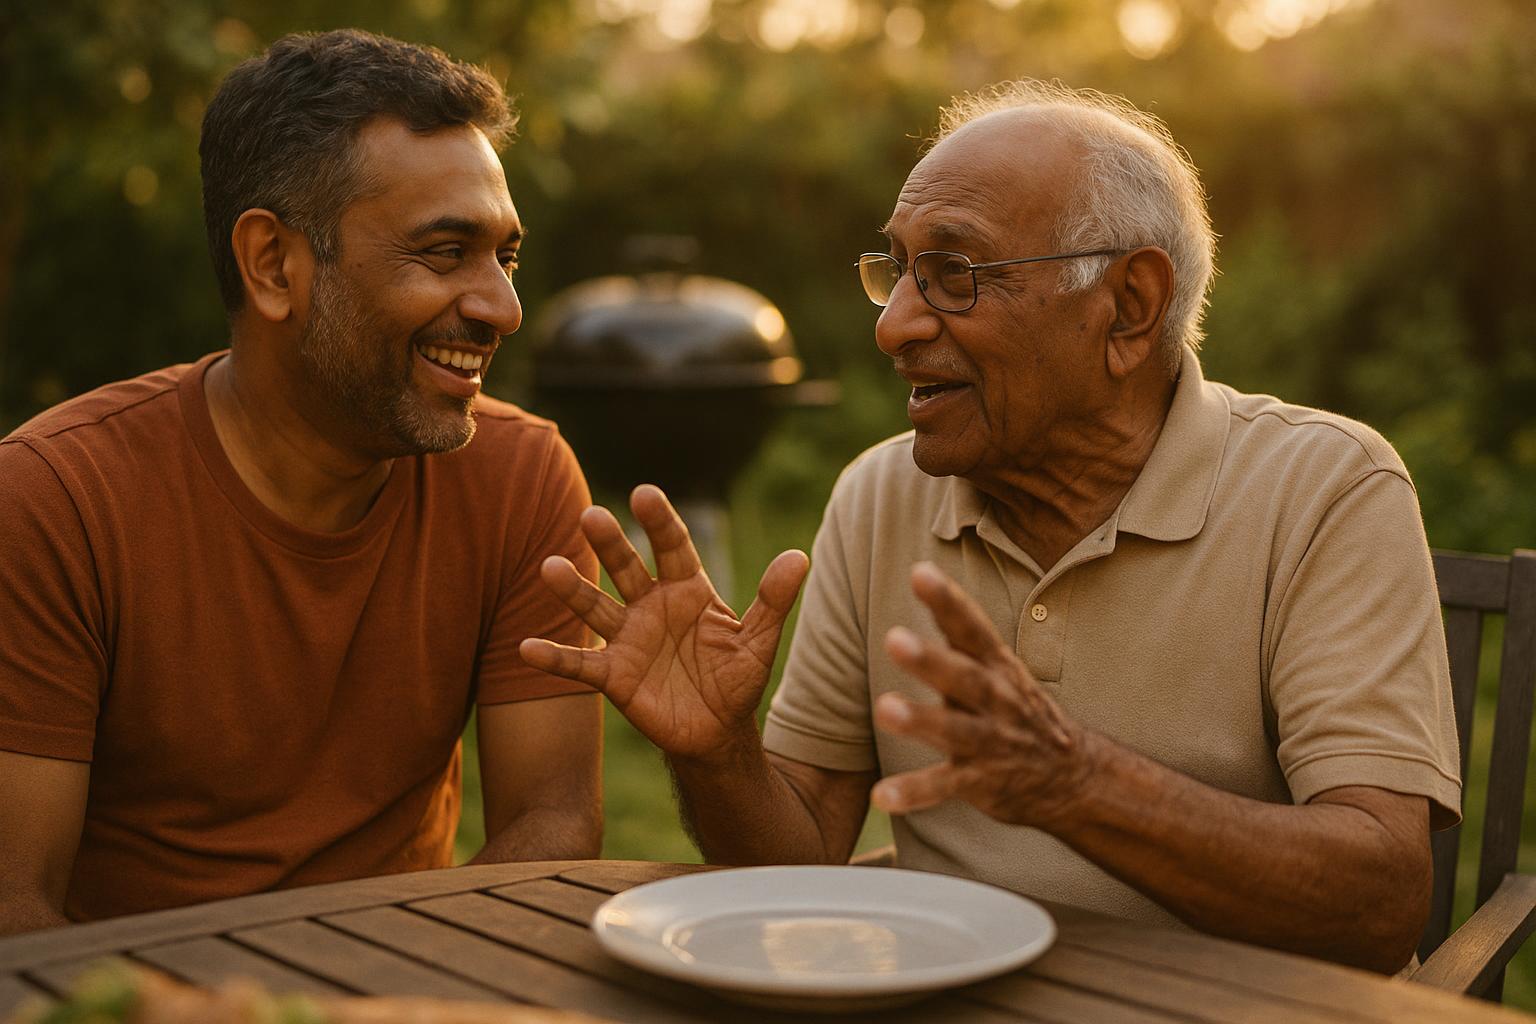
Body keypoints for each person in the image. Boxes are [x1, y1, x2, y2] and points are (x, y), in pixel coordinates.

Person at [520, 81, 1460, 974]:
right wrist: (719, 754)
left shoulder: (1327, 485)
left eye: (954, 273)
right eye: (896, 271)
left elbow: (1378, 904)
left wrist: (1079, 785)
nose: (893, 326)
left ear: (1129, 307)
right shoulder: (881, 494)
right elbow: (797, 852)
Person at [0, 29, 601, 934]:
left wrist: (368, 997)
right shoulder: (54, 502)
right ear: (273, 265)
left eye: (505, 257)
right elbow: (13, 913)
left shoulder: (519, 477)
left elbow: (552, 823)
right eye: (445, 253)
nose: (502, 309)